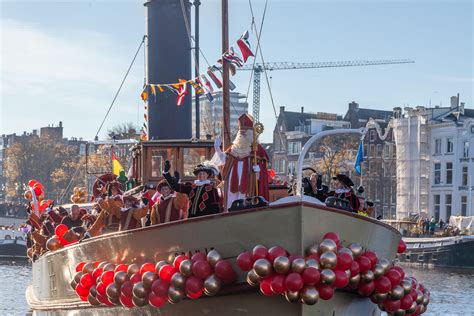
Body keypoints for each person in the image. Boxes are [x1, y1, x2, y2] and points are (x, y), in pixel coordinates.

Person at [214, 113, 269, 210]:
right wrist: (217, 148)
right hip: (232, 184)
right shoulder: (233, 149)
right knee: (231, 204)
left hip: (248, 183)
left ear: (251, 133)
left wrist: (259, 169)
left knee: (244, 203)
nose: (243, 134)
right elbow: (222, 160)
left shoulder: (257, 149)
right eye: (241, 132)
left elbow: (263, 168)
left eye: (245, 132)